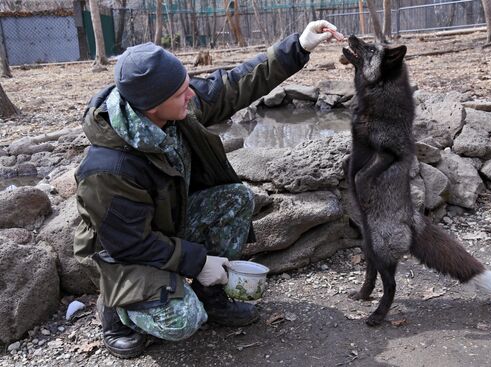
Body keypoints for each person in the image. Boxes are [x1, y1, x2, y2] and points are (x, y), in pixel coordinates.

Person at [73, 20, 339, 359]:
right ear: (153, 106)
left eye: (187, 84)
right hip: (122, 253)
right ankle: (116, 314)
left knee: (235, 199)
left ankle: (211, 295)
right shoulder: (109, 168)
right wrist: (197, 262)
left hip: (164, 226)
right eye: (182, 90)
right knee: (184, 320)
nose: (191, 93)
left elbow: (232, 85)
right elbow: (130, 243)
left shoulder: (175, 107)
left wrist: (298, 46)